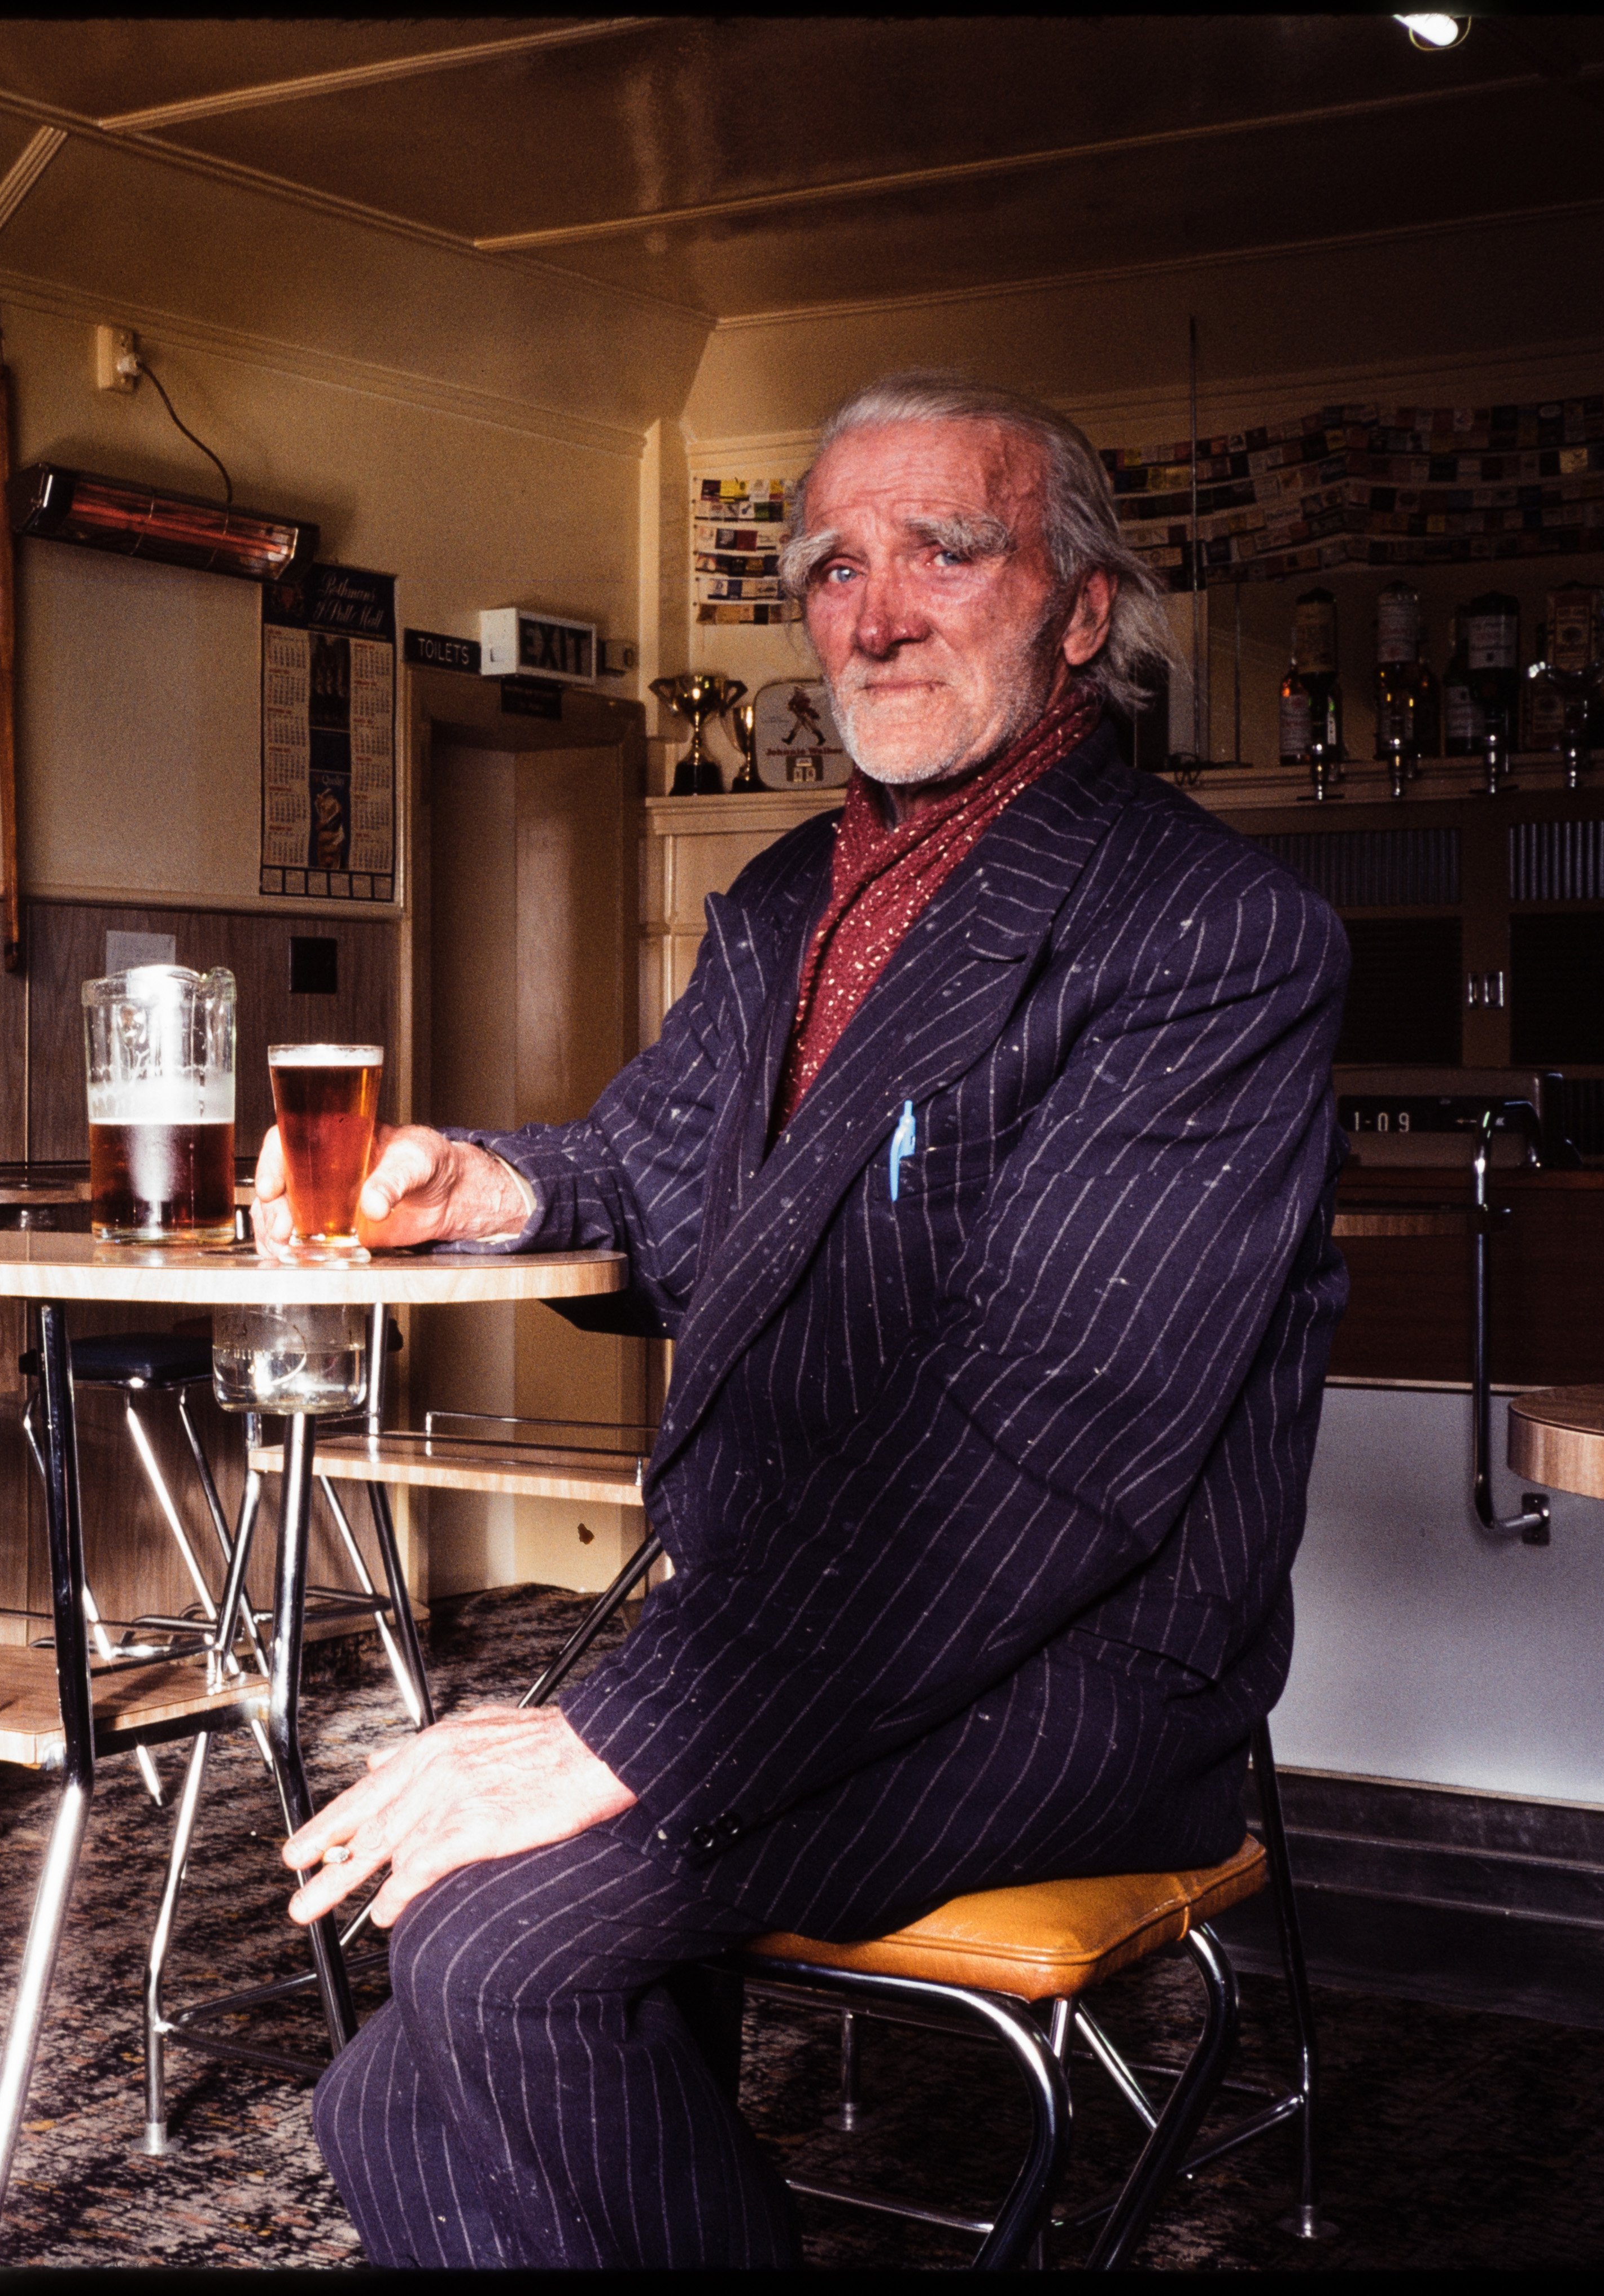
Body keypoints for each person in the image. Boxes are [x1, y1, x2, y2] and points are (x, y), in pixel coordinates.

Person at [256, 373, 1350, 2267]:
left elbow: (1050, 1441)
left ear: (1082, 609)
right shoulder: (784, 895)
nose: (882, 606)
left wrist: (623, 1729)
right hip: (798, 1617)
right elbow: (664, 1171)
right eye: (838, 562)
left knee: (494, 1944)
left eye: (950, 548)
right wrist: (485, 1183)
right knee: (401, 2073)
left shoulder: (1208, 932)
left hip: (1075, 1664)